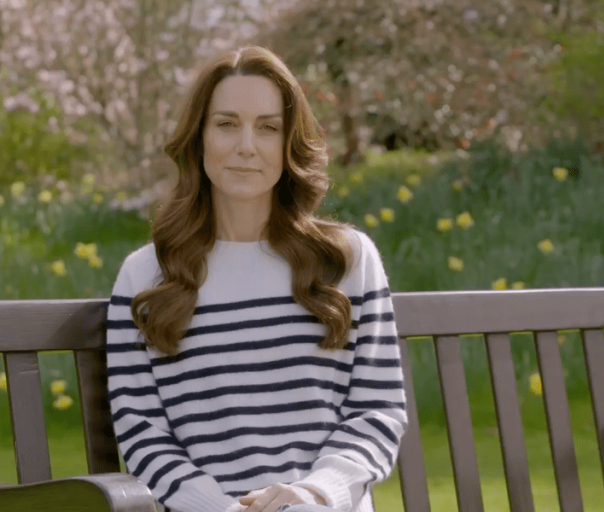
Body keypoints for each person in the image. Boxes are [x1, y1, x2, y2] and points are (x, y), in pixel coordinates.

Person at [105, 45, 407, 512]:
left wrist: (313, 492)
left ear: (289, 145)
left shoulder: (346, 261)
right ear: (199, 138)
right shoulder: (146, 277)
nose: (247, 145)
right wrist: (222, 509)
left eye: (268, 128)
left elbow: (377, 409)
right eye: (227, 124)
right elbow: (142, 432)